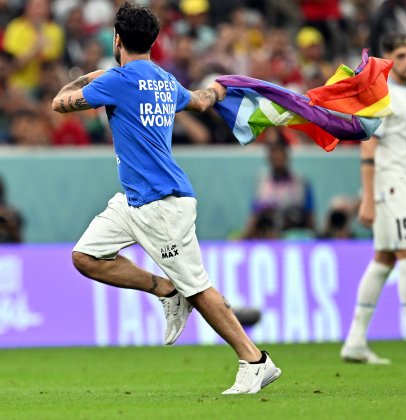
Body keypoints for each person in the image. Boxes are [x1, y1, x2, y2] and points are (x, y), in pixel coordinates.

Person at [51, 1, 281, 394]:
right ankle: (165, 290)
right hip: (134, 199)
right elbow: (203, 101)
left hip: (162, 204)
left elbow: (59, 102)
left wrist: (95, 73)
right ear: (155, 42)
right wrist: (217, 88)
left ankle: (255, 360)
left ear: (117, 39)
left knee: (200, 289)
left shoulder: (115, 81)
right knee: (85, 257)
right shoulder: (164, 80)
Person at [340, 34, 406, 365]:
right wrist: (368, 199)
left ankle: (355, 342)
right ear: (388, 58)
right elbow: (368, 145)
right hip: (391, 187)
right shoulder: (382, 94)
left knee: (384, 260)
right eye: (400, 55)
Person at [242, 139, 315, 239]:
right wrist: (246, 234)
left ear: (287, 157)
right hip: (267, 233)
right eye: (274, 155)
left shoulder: (300, 181)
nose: (277, 158)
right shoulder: (261, 182)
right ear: (269, 158)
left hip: (293, 231)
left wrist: (313, 237)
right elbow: (254, 214)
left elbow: (309, 214)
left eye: (280, 154)